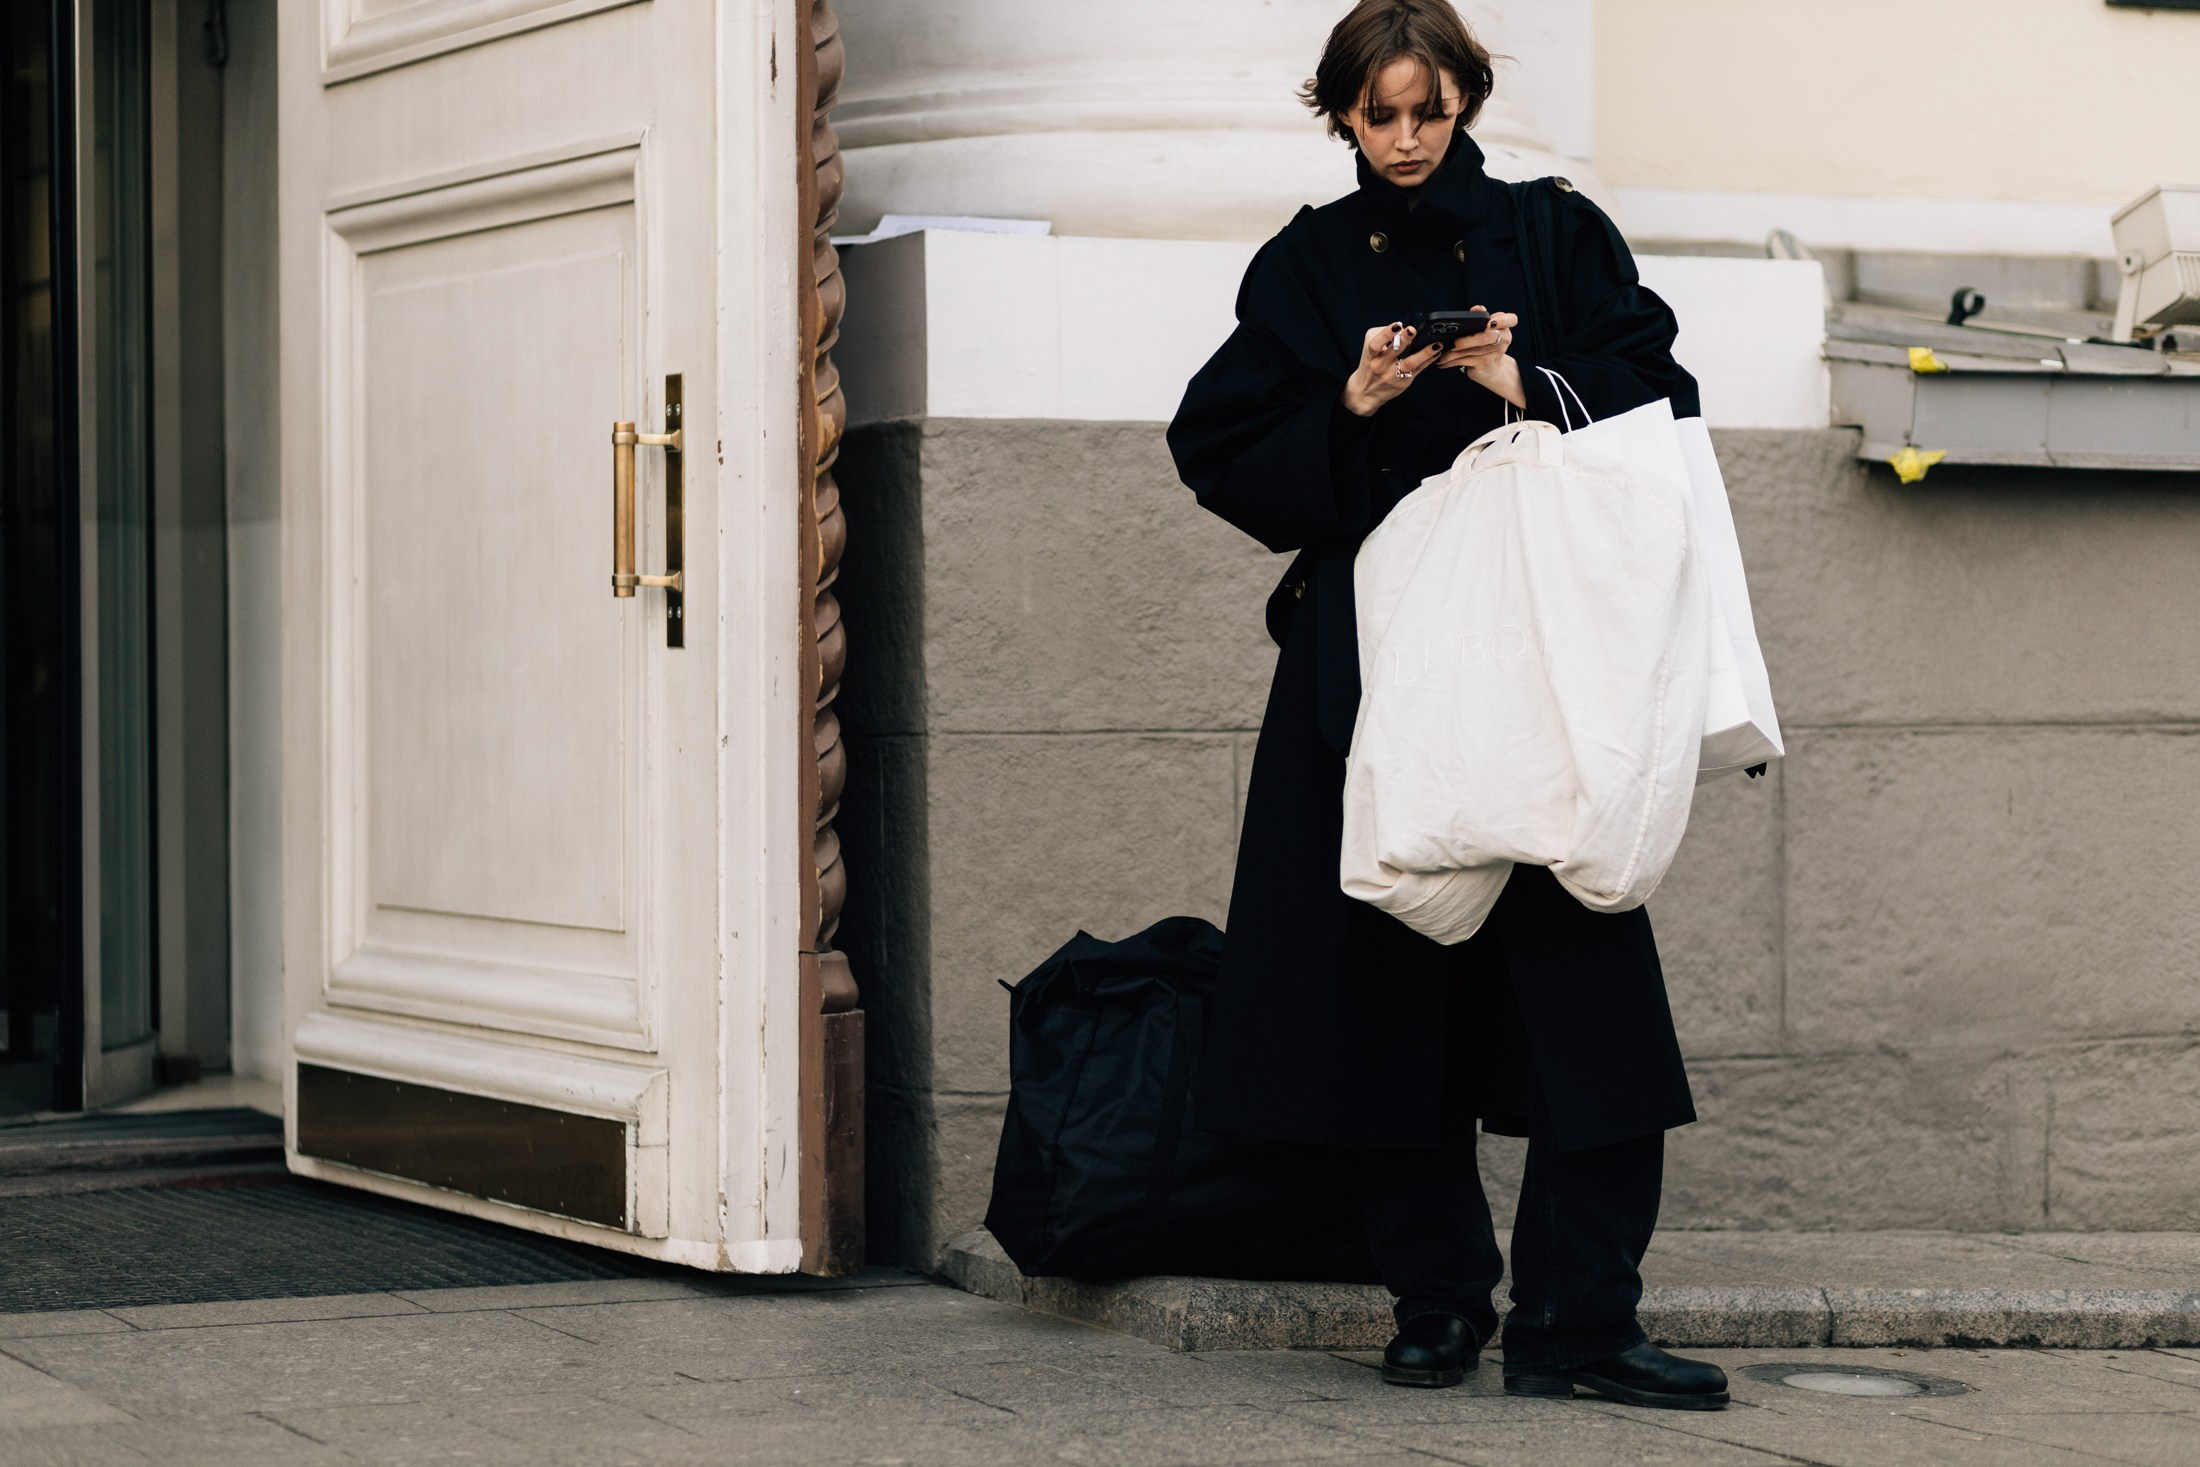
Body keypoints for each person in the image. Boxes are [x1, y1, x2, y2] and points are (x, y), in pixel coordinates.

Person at [1167, 0, 1729, 1410]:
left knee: (1593, 1000)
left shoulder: (1554, 231)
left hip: (1543, 662)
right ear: (1343, 115)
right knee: (1381, 993)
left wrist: (1523, 380)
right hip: (1372, 666)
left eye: (1430, 109)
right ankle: (1435, 1309)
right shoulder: (1302, 267)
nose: (1407, 139)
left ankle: (1581, 1325)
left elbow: (1662, 385)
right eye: (1380, 114)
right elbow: (1217, 445)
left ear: (1465, 99)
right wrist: (1351, 407)